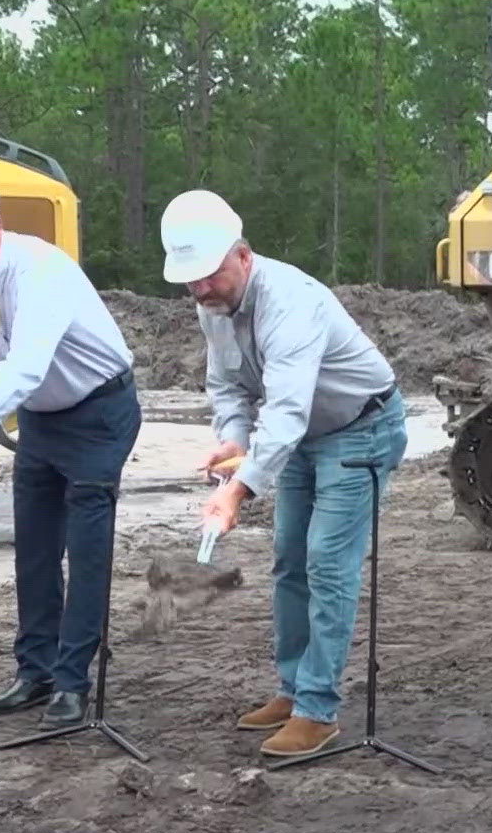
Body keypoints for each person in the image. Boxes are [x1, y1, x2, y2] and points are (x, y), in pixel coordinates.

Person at [160, 189, 408, 759]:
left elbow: (287, 410)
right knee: (289, 558)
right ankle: (294, 688)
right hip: (304, 438)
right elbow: (226, 385)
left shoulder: (290, 302)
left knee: (327, 562)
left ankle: (318, 711)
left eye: (209, 276)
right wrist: (232, 439)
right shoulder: (212, 305)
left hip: (361, 426)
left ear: (243, 256)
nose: (199, 290)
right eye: (190, 281)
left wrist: (238, 490)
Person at [0, 163, 142, 731]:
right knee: (35, 550)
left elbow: (24, 366)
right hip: (43, 420)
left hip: (98, 412)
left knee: (86, 550)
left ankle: (73, 682)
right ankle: (36, 670)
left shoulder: (43, 270)